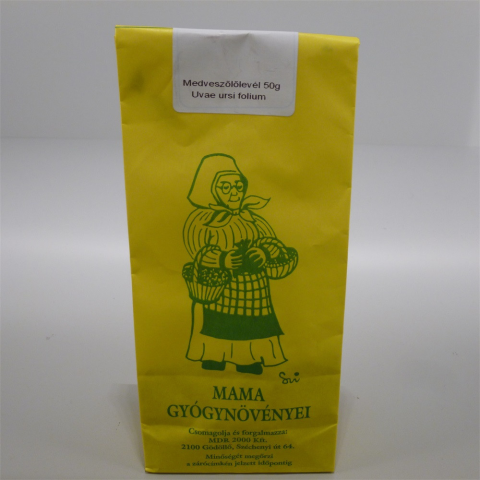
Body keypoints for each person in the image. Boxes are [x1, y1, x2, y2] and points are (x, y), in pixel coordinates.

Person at [183, 153, 298, 375]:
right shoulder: (203, 221)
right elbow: (198, 251)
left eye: (238, 186)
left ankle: (248, 359)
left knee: (251, 326)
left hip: (254, 289)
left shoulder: (253, 219)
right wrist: (221, 260)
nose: (234, 192)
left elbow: (272, 243)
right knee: (216, 323)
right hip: (219, 288)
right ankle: (213, 356)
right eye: (225, 187)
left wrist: (264, 253)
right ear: (210, 188)